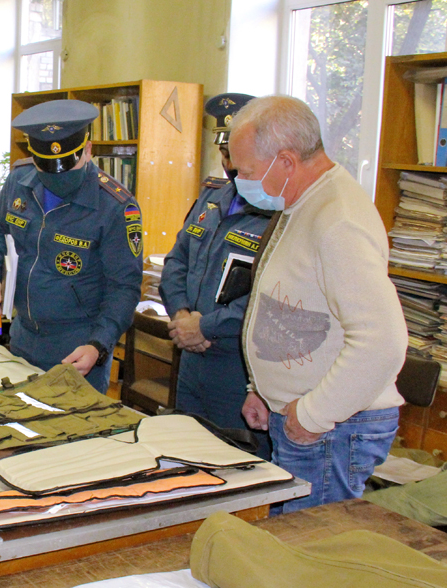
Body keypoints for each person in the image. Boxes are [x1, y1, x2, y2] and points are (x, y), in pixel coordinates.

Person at [231, 95, 408, 513]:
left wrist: (311, 416)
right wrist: (262, 389)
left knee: (309, 553)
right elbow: (287, 305)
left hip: (332, 427)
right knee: (290, 543)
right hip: (302, 417)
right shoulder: (302, 202)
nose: (239, 180)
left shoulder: (338, 219)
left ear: (287, 162)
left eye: (247, 172)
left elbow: (382, 341)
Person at [0, 99, 143, 393]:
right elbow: (0, 232)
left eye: (67, 165)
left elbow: (125, 287)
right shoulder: (20, 181)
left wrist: (98, 345)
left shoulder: (115, 206)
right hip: (22, 336)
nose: (57, 177)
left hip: (77, 348)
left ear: (88, 149)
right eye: (47, 166)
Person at [160, 93, 273, 458]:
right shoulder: (212, 199)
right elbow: (176, 262)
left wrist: (204, 327)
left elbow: (269, 295)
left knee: (235, 462)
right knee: (185, 456)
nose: (229, 164)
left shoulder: (277, 211)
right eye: (224, 153)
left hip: (237, 365)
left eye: (236, 155)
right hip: (191, 357)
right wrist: (180, 316)